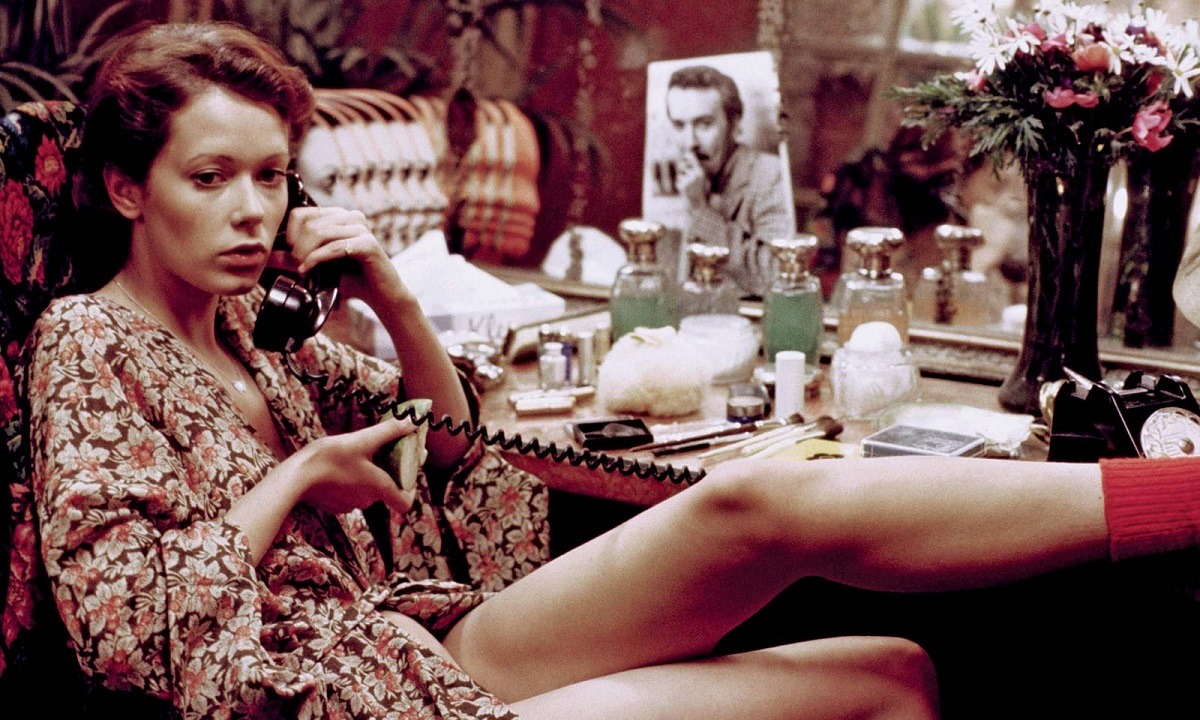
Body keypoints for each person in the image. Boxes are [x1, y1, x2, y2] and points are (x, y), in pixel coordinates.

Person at [23, 21, 942, 719]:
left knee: (866, 628)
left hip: (401, 641)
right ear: (128, 188)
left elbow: (446, 443)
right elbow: (124, 630)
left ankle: (1057, 506)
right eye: (210, 177)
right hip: (310, 694)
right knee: (876, 684)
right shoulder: (87, 338)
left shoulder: (257, 330)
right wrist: (300, 472)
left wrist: (394, 297)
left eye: (271, 177)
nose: (252, 212)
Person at [664, 64, 794, 296]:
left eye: (705, 124)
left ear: (734, 124)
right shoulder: (685, 179)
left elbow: (775, 275)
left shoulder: (770, 174)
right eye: (679, 125)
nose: (689, 142)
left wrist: (700, 210)